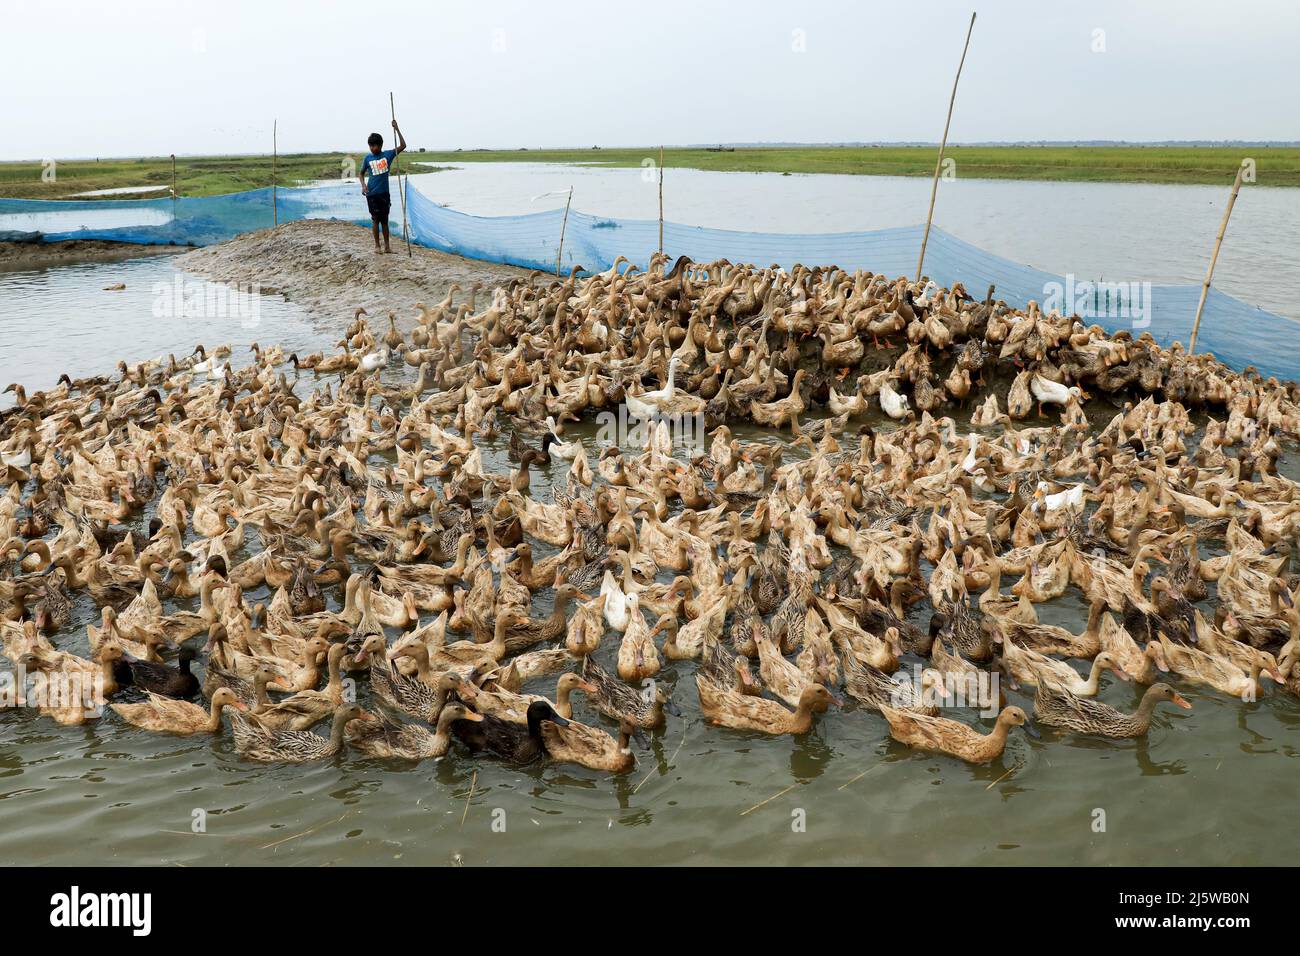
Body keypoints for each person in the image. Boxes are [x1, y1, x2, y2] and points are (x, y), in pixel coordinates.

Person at [359, 120, 406, 253]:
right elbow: (361, 174)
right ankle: (377, 246)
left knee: (385, 221)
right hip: (372, 194)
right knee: (375, 220)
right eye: (370, 146)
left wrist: (397, 128)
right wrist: (363, 186)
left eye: (375, 146)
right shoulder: (367, 158)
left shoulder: (388, 155)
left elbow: (403, 145)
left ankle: (387, 247)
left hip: (384, 194)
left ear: (380, 145)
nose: (372, 148)